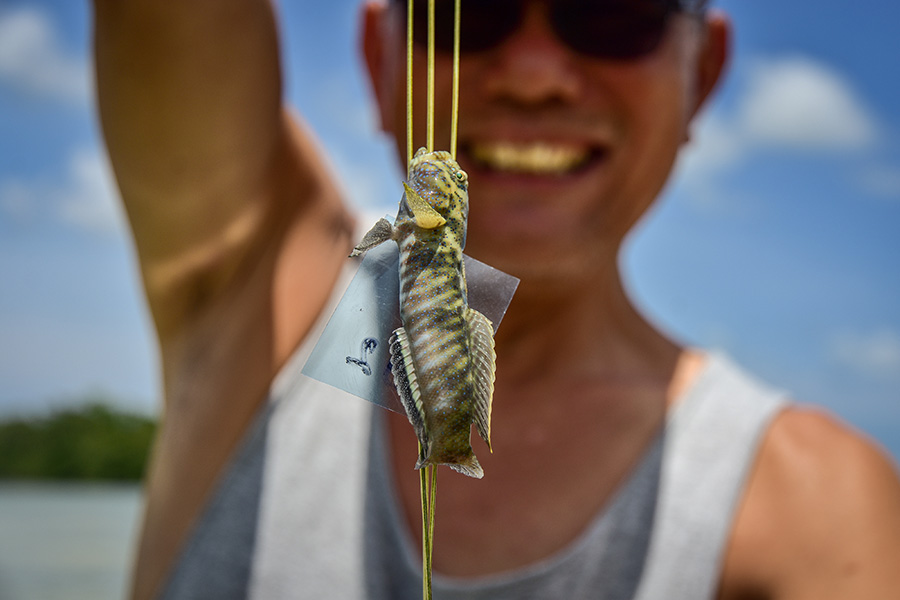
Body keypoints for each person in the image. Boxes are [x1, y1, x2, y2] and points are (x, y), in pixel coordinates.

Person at [92, 0, 900, 598]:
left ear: (705, 73)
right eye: (472, 12)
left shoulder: (816, 505)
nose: (534, 75)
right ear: (379, 57)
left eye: (615, 16)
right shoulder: (263, 297)